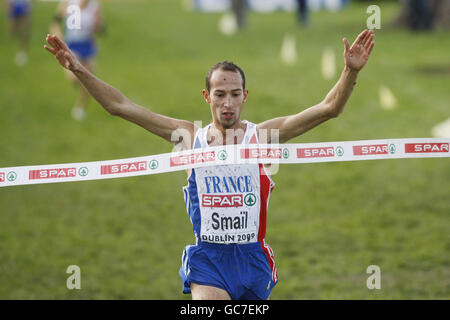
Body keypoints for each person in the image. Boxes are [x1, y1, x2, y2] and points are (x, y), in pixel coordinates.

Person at [44, 29, 375, 299]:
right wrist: (77, 68)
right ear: (207, 97)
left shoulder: (262, 137)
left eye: (234, 94)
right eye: (219, 94)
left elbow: (328, 108)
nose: (227, 103)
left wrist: (350, 71)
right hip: (209, 262)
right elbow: (120, 106)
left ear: (246, 96)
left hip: (252, 260)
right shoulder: (188, 138)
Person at [50, 0, 104, 121]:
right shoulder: (69, 3)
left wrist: (98, 25)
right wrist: (57, 34)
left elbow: (100, 28)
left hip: (89, 46)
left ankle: (80, 108)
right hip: (72, 46)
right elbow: (55, 21)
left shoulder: (95, 5)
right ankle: (81, 97)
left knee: (89, 80)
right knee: (74, 78)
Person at [6, 0, 32, 66]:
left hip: (24, 7)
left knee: (24, 32)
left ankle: (22, 52)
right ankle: (16, 49)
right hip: (14, 7)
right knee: (13, 31)